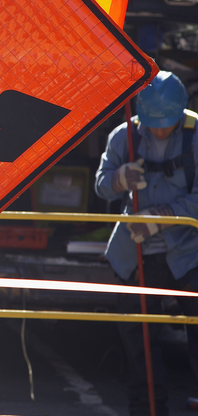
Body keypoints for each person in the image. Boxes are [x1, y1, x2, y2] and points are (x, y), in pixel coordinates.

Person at [95, 71, 198, 416]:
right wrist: (121, 178)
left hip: (187, 252)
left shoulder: (196, 137)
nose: (159, 131)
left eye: (166, 124)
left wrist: (159, 218)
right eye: (153, 124)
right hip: (135, 254)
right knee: (138, 338)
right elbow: (102, 185)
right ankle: (147, 408)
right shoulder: (123, 136)